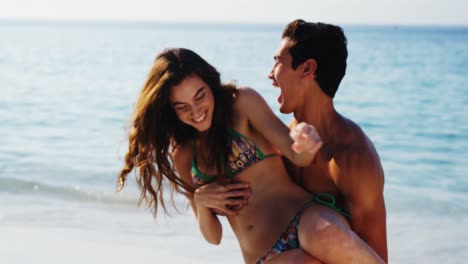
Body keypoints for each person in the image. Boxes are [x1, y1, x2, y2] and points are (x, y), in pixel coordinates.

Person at [117, 48, 384, 264]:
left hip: (305, 217)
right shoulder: (184, 156)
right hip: (266, 257)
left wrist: (305, 142)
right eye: (182, 106)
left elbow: (296, 154)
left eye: (200, 96)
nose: (196, 111)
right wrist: (202, 202)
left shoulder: (241, 104)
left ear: (210, 85)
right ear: (170, 111)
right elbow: (213, 237)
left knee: (329, 236)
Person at [267, 19, 388, 263]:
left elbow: (377, 257)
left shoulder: (353, 158)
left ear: (307, 69)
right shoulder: (277, 143)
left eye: (278, 62)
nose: (270, 74)